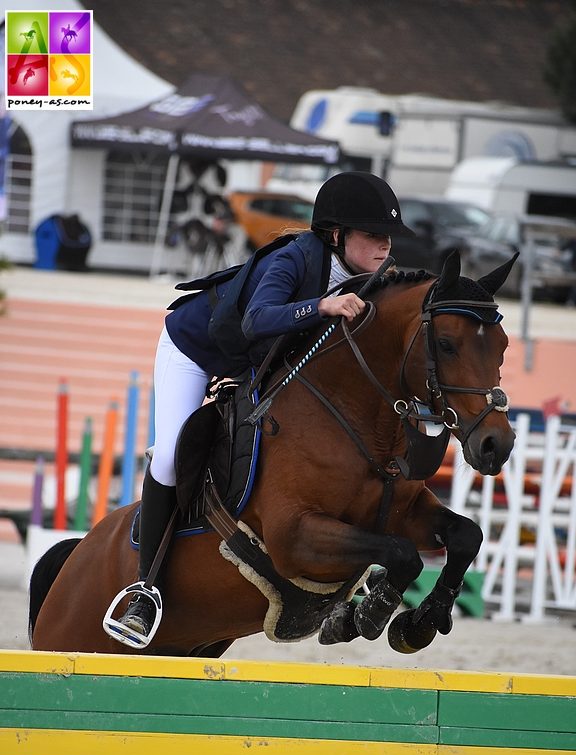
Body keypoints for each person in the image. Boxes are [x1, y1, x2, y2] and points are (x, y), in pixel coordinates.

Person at [103, 171, 415, 647]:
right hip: (196, 351)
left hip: (258, 363)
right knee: (169, 455)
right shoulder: (294, 259)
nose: (385, 247)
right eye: (373, 236)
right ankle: (145, 587)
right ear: (336, 235)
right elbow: (257, 319)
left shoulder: (372, 278)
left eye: (388, 237)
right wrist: (322, 308)